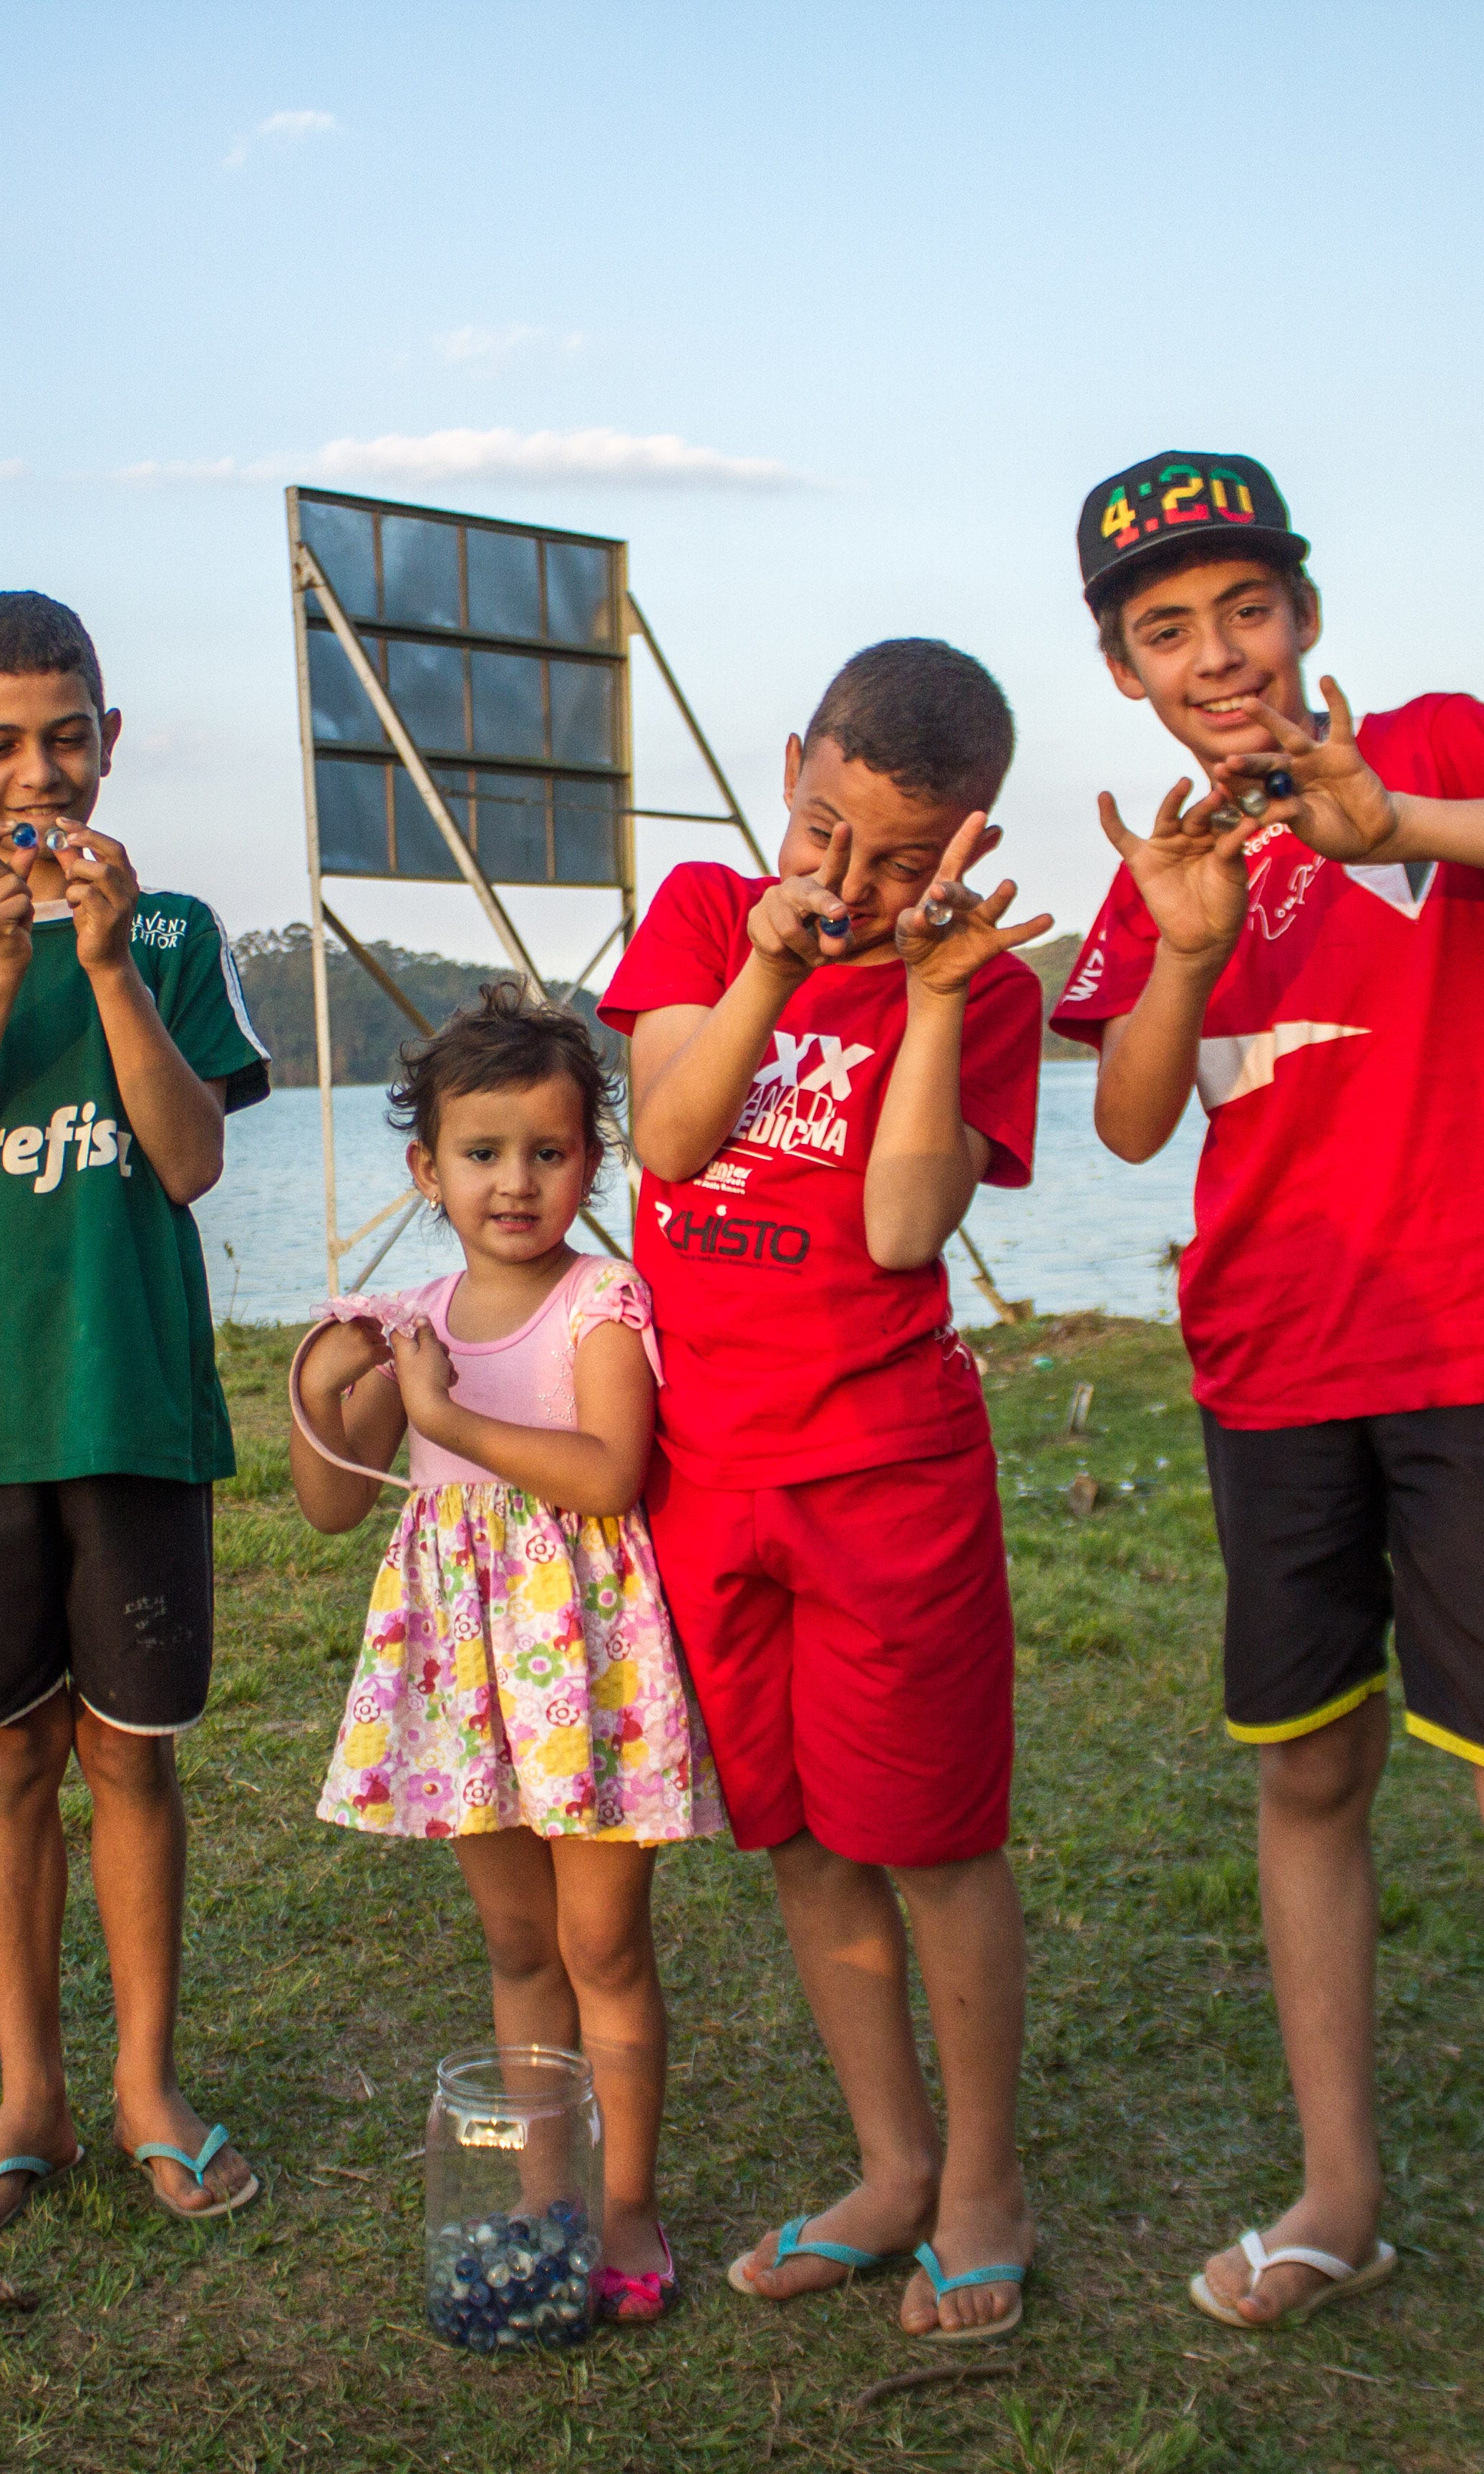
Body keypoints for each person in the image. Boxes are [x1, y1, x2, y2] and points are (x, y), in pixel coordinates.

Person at [1053, 452, 1484, 2472]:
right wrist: (1176, 945)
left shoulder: (1430, 756)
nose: (1217, 654)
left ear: (1305, 617)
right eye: (1167, 632)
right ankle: (1340, 2193)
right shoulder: (1160, 859)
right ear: (1124, 671)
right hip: (1273, 1381)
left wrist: (1399, 820)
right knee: (1308, 1775)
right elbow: (1141, 1127)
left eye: (1244, 609)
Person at [596, 639, 1055, 2344]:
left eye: (899, 860)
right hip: (709, 1479)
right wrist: (772, 977)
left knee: (929, 1841)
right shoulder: (713, 917)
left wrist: (931, 998)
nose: (851, 885)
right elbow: (666, 1140)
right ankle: (891, 2163)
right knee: (795, 1836)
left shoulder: (984, 985)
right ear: (789, 769)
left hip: (886, 1480)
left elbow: (902, 1228)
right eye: (824, 832)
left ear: (966, 847)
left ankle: (988, 2179)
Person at [0, 590, 274, 2237]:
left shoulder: (169, 929)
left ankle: (149, 2084)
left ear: (112, 739)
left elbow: (191, 1157)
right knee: (4, 1760)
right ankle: (32, 2097)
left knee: (133, 1762)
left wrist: (98, 960)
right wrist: (3, 974)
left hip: (133, 1407)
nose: (38, 779)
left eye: (67, 740)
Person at [285, 986, 727, 2326]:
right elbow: (332, 1500)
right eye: (481, 1154)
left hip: (581, 1671)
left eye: (548, 1152)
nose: (515, 1183)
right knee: (517, 1944)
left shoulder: (602, 1302)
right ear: (428, 1170)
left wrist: (453, 1423)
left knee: (604, 1946)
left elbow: (609, 1474)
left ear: (592, 1160)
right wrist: (320, 1391)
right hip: (470, 1680)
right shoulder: (412, 1316)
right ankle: (551, 2196)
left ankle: (628, 2204)